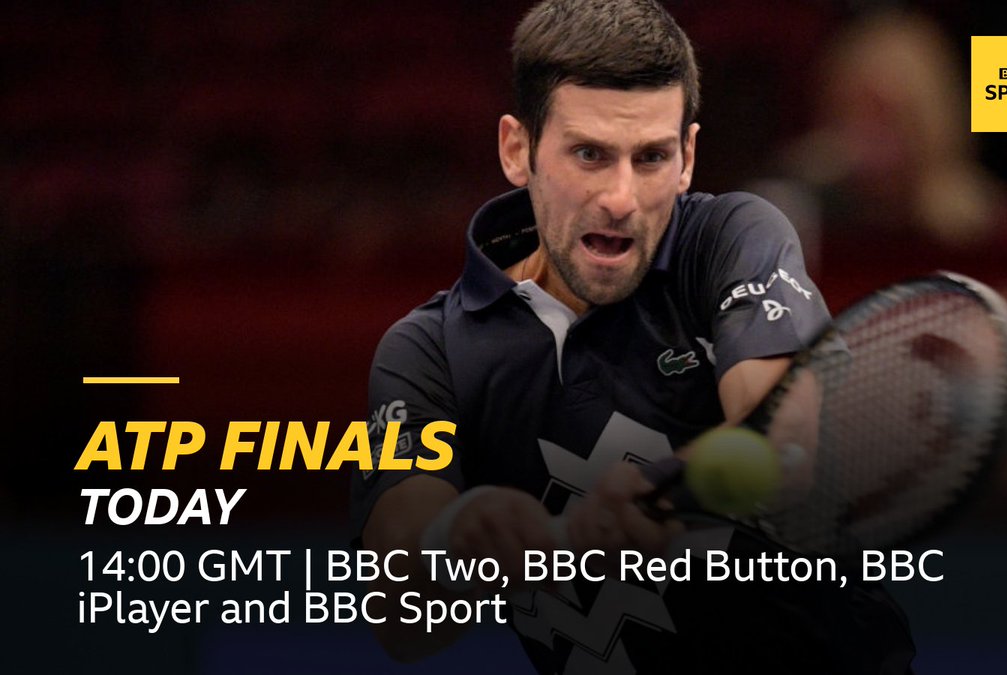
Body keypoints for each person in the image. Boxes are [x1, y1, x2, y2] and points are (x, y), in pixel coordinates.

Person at [352, 1, 915, 672]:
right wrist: (462, 538)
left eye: (651, 157)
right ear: (517, 150)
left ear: (688, 157)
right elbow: (398, 617)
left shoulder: (730, 239)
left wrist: (660, 491)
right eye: (589, 154)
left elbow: (788, 437)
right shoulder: (427, 353)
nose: (621, 198)